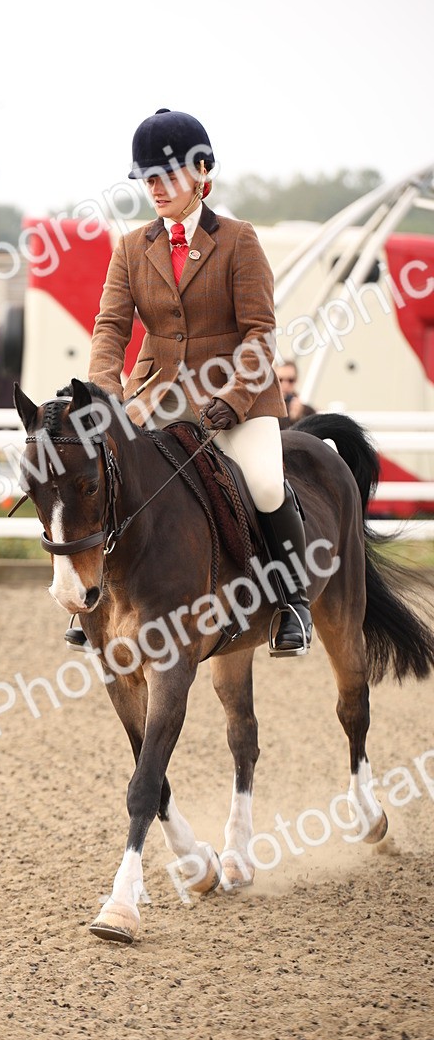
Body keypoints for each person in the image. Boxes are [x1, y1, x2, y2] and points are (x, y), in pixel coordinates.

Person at [78, 107, 313, 656]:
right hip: (156, 393)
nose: (155, 189)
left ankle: (293, 602)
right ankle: (95, 598)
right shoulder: (131, 247)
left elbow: (260, 332)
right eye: (148, 180)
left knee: (265, 484)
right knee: (108, 472)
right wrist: (105, 390)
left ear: (201, 170)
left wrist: (235, 397)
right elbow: (110, 326)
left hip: (234, 395)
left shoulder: (239, 240)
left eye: (166, 177)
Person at [276, 359, 316, 427]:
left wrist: (298, 418)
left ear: (296, 380)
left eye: (290, 380)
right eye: (280, 380)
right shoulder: (265, 408)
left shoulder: (307, 411)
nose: (285, 385)